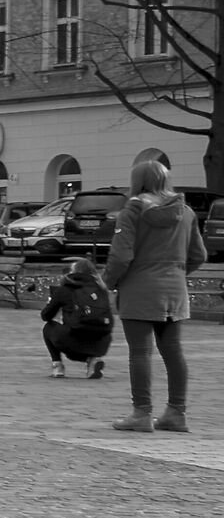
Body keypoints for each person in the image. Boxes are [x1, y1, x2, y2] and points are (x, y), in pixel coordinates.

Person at [105, 158, 208, 433]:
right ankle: (177, 412)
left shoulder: (132, 211)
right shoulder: (185, 212)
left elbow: (121, 255)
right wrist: (175, 272)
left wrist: (109, 281)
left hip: (139, 288)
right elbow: (199, 255)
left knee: (140, 352)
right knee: (173, 353)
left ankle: (141, 413)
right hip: (174, 289)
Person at [40, 258, 113, 380]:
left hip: (72, 343)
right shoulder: (101, 289)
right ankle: (92, 361)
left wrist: (51, 304)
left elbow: (45, 316)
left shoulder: (65, 289)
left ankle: (57, 366)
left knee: (48, 327)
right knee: (94, 332)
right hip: (101, 343)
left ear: (73, 272)